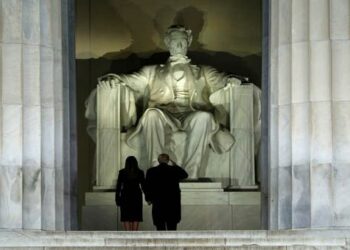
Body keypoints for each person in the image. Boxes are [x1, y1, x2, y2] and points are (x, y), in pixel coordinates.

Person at [97, 25, 240, 179]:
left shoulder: (203, 71)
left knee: (204, 117)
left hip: (190, 113)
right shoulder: (152, 71)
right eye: (174, 42)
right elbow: (131, 80)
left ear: (189, 42)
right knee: (151, 114)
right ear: (167, 42)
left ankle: (191, 173)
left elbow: (221, 79)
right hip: (164, 113)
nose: (179, 46)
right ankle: (157, 169)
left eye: (183, 42)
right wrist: (113, 79)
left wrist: (231, 80)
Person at [145, 153, 188, 231]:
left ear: (158, 161)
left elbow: (147, 186)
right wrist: (175, 164)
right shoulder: (174, 170)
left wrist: (148, 199)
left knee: (160, 228)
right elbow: (185, 175)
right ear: (168, 161)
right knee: (172, 229)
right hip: (172, 204)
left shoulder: (151, 171)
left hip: (158, 204)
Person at [115, 156, 145, 231]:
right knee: (136, 216)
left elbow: (118, 187)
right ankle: (134, 235)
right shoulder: (140, 172)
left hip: (125, 195)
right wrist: (148, 197)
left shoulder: (122, 172)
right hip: (136, 196)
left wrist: (117, 199)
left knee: (126, 216)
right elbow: (144, 186)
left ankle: (127, 234)